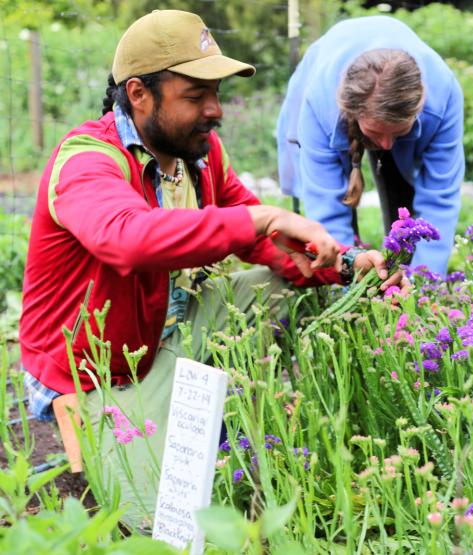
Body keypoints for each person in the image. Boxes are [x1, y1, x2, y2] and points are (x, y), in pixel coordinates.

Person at [19, 10, 406, 529]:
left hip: (169, 328)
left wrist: (349, 269)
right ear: (138, 94)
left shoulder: (198, 156)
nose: (216, 109)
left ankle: (235, 417)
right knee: (165, 521)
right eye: (196, 95)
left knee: (281, 288)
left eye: (216, 92)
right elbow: (127, 240)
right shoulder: (89, 161)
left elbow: (267, 242)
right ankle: (96, 431)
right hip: (100, 369)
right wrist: (260, 217)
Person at [277, 15, 465, 275]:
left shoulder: (442, 98)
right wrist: (346, 278)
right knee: (330, 221)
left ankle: (400, 278)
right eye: (377, 133)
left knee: (403, 202)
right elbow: (326, 209)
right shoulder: (319, 104)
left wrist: (426, 284)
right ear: (353, 114)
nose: (386, 145)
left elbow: (439, 197)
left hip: (416, 109)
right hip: (324, 85)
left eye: (398, 131)